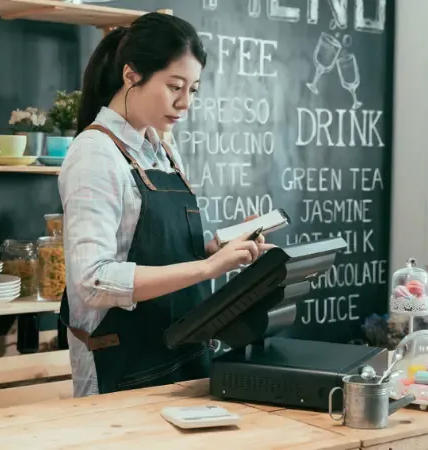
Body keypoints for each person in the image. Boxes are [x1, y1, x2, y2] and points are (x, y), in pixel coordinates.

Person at [57, 12, 274, 398]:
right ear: (131, 75)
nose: (184, 103)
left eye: (193, 90)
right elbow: (92, 282)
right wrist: (207, 268)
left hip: (182, 352)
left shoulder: (162, 149)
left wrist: (219, 248)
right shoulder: (95, 155)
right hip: (125, 367)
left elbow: (161, 248)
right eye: (175, 86)